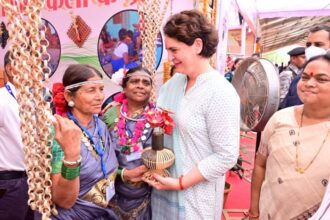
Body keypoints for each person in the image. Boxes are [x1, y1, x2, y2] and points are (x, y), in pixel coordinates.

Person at [145, 10, 240, 220]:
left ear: (197, 45)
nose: (169, 58)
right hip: (164, 184)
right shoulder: (172, 85)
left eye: (174, 50)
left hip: (195, 195)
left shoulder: (220, 92)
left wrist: (181, 182)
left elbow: (226, 156)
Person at [249, 53, 330, 219]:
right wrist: (254, 212)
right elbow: (260, 166)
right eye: (305, 77)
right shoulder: (280, 118)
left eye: (321, 79)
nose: (309, 84)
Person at [50, 64, 118, 219]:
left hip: (102, 213)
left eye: (101, 89)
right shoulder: (61, 131)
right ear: (69, 96)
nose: (100, 96)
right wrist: (72, 154)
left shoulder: (100, 125)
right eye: (91, 90)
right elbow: (64, 200)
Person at [102, 66, 154, 220]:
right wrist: (123, 174)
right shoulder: (111, 114)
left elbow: (161, 155)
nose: (140, 85)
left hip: (145, 195)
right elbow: (100, 156)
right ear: (124, 87)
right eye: (134, 81)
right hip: (113, 191)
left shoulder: (157, 117)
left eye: (146, 83)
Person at [0, 51, 34, 219]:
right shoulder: (2, 100)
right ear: (11, 69)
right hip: (10, 183)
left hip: (33, 181)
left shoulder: (32, 100)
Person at [280, 24, 330, 109]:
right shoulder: (298, 81)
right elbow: (285, 108)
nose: (311, 49)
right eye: (308, 45)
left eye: (318, 44)